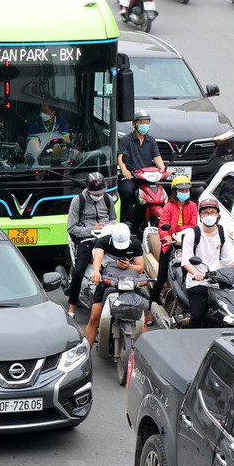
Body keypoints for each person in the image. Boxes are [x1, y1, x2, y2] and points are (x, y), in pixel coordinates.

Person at [179, 197, 234, 327]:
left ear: (218, 215)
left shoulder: (222, 233)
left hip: (217, 281)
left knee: (227, 314)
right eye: (206, 213)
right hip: (198, 283)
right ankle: (189, 339)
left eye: (212, 213)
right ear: (201, 216)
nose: (209, 216)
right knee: (197, 316)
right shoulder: (192, 234)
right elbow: (186, 261)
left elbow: (230, 258)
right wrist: (196, 273)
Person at [64, 172, 117, 316]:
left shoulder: (107, 199)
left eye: (101, 192)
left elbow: (113, 218)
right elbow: (71, 228)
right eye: (96, 193)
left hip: (105, 237)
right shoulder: (77, 201)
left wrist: (107, 226)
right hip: (86, 240)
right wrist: (91, 229)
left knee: (116, 265)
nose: (99, 195)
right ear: (88, 190)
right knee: (79, 270)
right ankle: (72, 306)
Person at [83, 222, 145, 345]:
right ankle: (84, 354)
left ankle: (145, 356)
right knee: (94, 318)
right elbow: (98, 258)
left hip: (130, 282)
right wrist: (96, 272)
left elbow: (140, 267)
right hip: (107, 280)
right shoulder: (103, 241)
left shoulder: (136, 244)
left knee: (141, 318)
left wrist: (130, 266)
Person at [150, 175, 198, 304]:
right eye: (181, 190)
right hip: (169, 244)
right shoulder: (169, 207)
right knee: (161, 278)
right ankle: (151, 303)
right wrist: (166, 234)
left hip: (187, 243)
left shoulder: (193, 206)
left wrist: (176, 229)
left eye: (186, 190)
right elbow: (163, 226)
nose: (184, 193)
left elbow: (193, 225)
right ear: (175, 192)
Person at [118, 109, 167, 229]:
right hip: (131, 176)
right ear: (134, 124)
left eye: (147, 122)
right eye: (141, 122)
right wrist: (125, 170)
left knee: (160, 194)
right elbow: (120, 158)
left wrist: (164, 170)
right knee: (127, 191)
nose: (144, 125)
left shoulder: (151, 141)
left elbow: (157, 158)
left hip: (147, 177)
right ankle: (124, 218)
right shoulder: (126, 139)